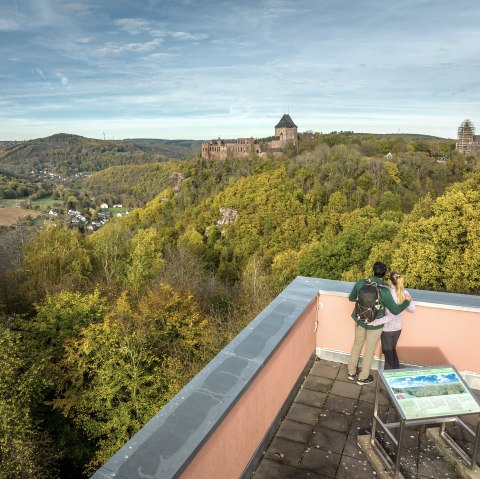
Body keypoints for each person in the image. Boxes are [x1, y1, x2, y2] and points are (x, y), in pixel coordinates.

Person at [347, 262, 411, 385]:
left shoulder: (361, 282)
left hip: (360, 320)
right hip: (375, 324)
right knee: (369, 350)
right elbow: (395, 310)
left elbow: (351, 298)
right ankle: (362, 378)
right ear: (384, 274)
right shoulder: (384, 291)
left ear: (373, 271)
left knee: (357, 344)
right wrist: (407, 302)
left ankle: (351, 373)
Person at [372, 271, 416, 370]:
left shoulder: (389, 294)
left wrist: (375, 322)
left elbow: (390, 316)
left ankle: (389, 377)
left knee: (388, 354)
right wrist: (405, 302)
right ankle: (396, 371)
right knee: (391, 351)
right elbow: (412, 309)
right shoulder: (405, 293)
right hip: (398, 328)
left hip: (388, 329)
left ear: (390, 281)